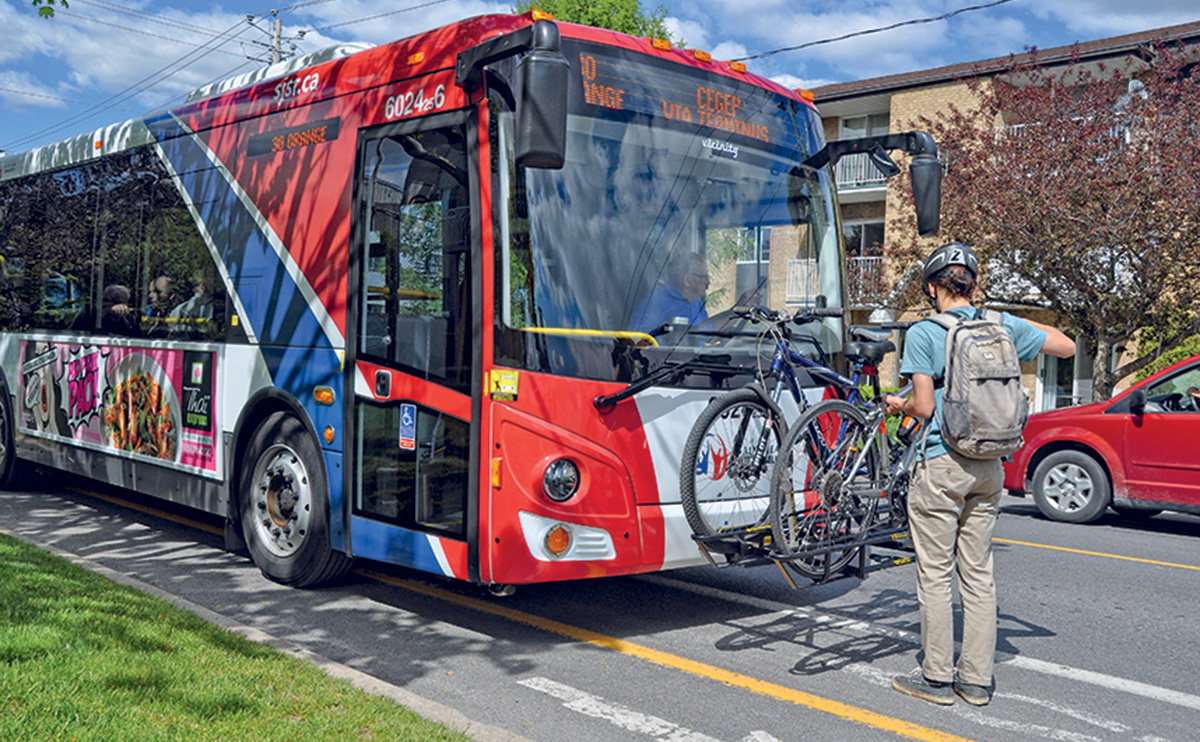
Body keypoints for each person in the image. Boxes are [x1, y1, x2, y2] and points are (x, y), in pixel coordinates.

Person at [884, 241, 1075, 707]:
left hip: (943, 462)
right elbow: (1067, 346)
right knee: (978, 574)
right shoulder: (1000, 324)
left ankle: (935, 678)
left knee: (935, 575)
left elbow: (924, 407)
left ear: (933, 288)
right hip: (991, 465)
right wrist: (1010, 322)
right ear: (972, 286)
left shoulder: (925, 332)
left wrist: (897, 404)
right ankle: (975, 681)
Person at [628, 252, 711, 335]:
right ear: (687, 279)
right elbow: (635, 338)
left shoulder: (697, 304)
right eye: (704, 277)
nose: (708, 282)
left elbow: (707, 334)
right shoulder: (656, 302)